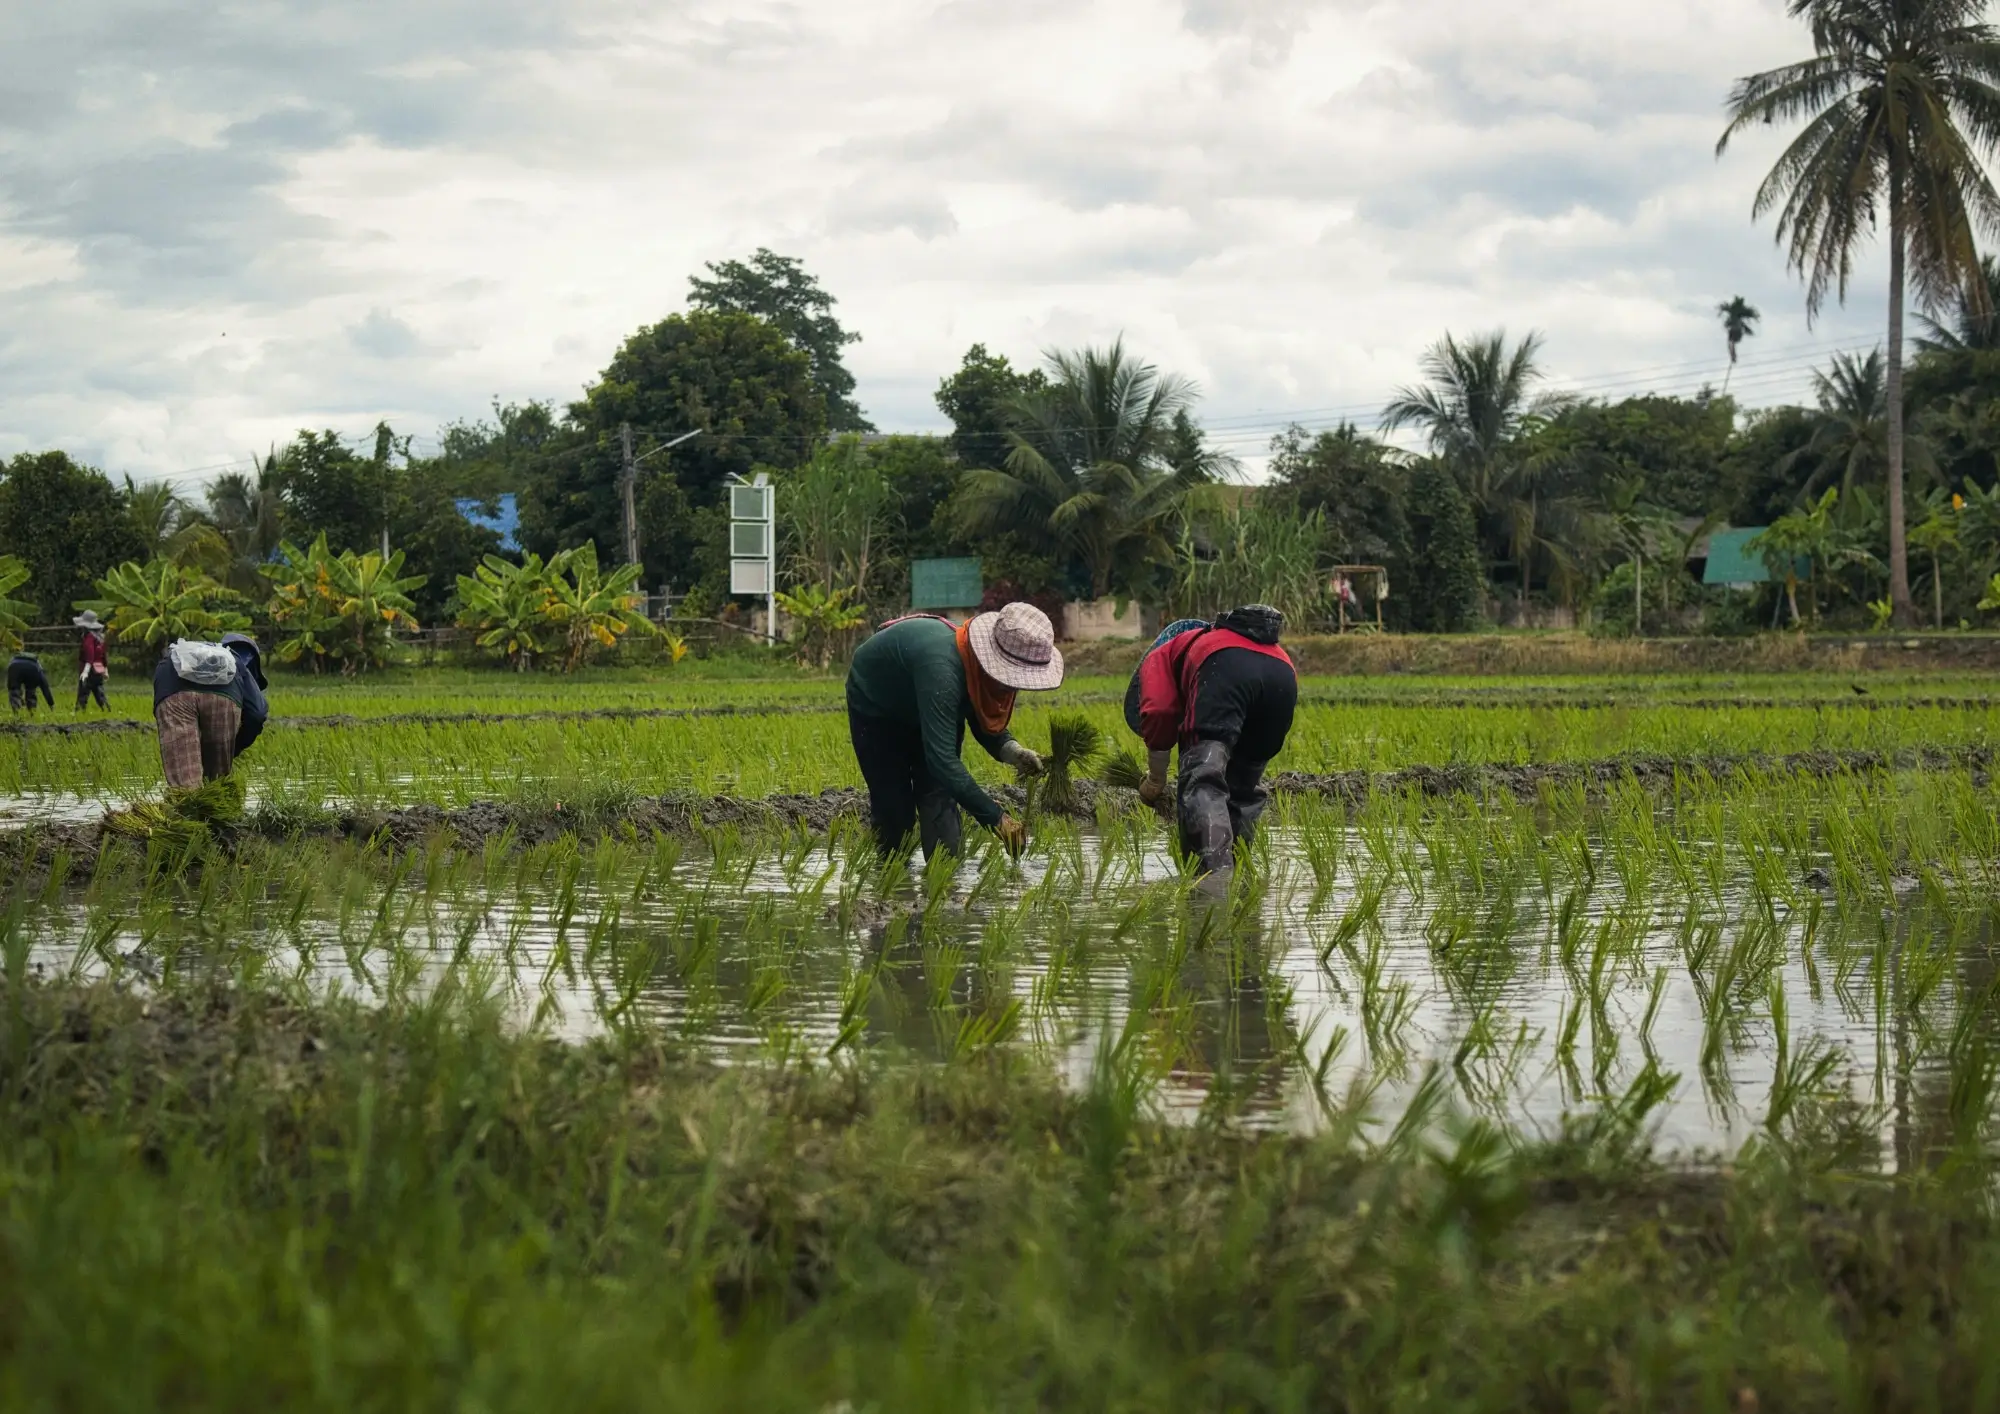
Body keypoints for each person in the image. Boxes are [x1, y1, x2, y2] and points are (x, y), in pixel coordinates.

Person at [845, 601, 1063, 860]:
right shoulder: (944, 672)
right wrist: (997, 819)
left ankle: (946, 877)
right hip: (878, 706)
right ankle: (889, 877)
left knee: (939, 798)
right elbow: (942, 762)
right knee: (895, 809)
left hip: (930, 696)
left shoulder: (976, 669)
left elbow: (979, 711)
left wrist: (1011, 750)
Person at [1124, 604, 1297, 875]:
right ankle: (1240, 877)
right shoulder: (1209, 641)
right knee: (1242, 791)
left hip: (1225, 667)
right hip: (1284, 677)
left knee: (1203, 782)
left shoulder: (1161, 655)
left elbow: (1158, 712)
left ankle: (1212, 880)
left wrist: (1156, 779)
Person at [152, 633, 269, 789]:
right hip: (223, 697)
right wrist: (235, 746)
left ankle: (186, 799)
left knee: (185, 786)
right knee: (216, 783)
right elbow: (257, 714)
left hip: (173, 687)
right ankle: (214, 797)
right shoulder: (235, 661)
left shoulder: (180, 652)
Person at [73, 610, 109, 711]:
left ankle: (79, 712)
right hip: (98, 670)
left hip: (89, 670)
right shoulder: (100, 637)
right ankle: (106, 710)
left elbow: (90, 655)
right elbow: (104, 655)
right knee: (99, 693)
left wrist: (85, 672)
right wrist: (105, 670)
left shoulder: (89, 638)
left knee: (83, 693)